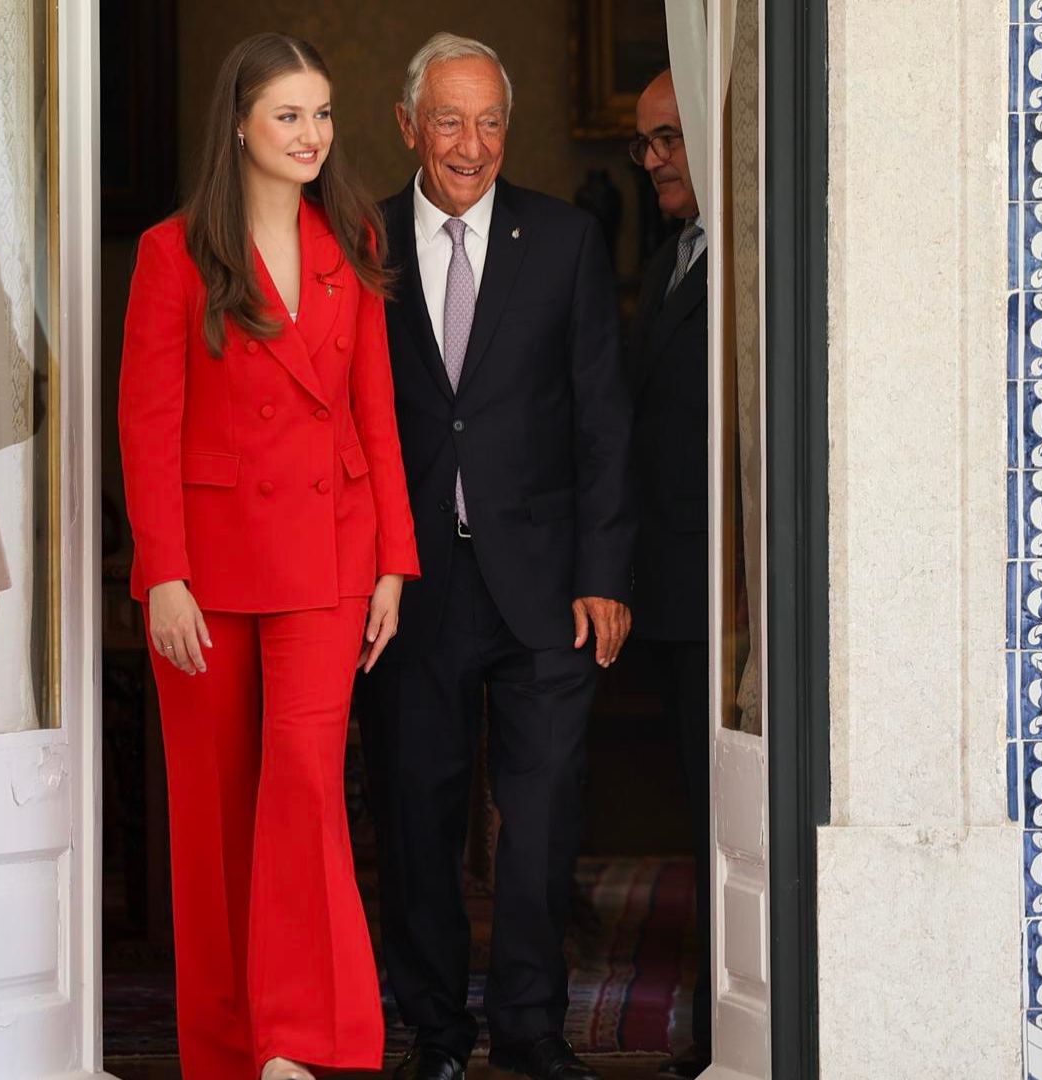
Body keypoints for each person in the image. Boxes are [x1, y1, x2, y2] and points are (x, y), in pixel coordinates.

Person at [117, 33, 417, 1080]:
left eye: (323, 114)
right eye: (290, 114)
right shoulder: (172, 253)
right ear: (239, 124)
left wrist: (392, 561)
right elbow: (145, 424)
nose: (312, 135)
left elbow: (375, 410)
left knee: (302, 779)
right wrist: (161, 573)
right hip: (204, 570)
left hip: (329, 558)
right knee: (212, 814)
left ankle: (298, 1040)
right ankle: (225, 1049)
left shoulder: (352, 236)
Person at [358, 32, 634, 1080]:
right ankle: (434, 1029)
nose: (470, 146)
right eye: (447, 120)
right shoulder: (360, 243)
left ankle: (529, 1025)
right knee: (416, 812)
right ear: (407, 124)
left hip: (548, 585)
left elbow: (602, 420)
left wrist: (605, 572)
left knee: (542, 812)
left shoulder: (560, 242)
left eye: (488, 123)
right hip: (408, 583)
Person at [624, 69, 712, 1080]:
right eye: (645, 142)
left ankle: (729, 1023)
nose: (649, 160)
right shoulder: (668, 262)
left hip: (722, 592)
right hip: (673, 586)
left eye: (668, 140)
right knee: (700, 804)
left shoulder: (747, 257)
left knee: (717, 811)